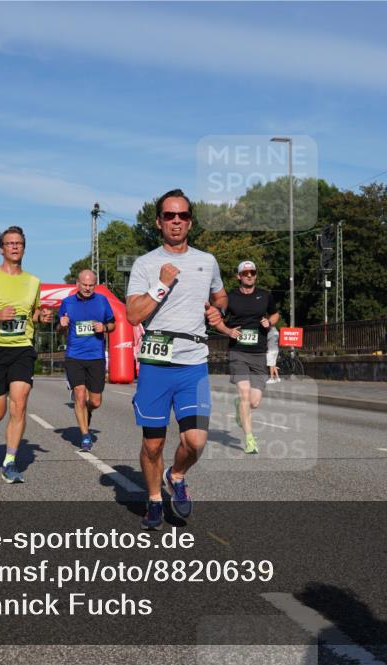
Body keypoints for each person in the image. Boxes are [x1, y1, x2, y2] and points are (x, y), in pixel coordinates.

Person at [126, 189, 226, 529]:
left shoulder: (207, 260)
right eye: (169, 215)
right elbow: (132, 315)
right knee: (152, 444)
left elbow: (221, 295)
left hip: (193, 362)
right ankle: (154, 500)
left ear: (190, 222)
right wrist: (161, 285)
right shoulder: (145, 264)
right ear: (158, 222)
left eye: (182, 215)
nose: (176, 221)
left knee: (195, 441)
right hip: (156, 364)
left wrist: (218, 310)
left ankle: (177, 475)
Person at [0, 226, 53, 484]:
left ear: (24, 247)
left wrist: (43, 316)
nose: (14, 247)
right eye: (9, 243)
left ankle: (10, 461)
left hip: (22, 348)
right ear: (1, 248)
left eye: (19, 243)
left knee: (20, 400)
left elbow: (34, 313)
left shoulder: (33, 281)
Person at [212, 260, 280, 453]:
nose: (249, 275)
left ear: (256, 275)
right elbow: (215, 317)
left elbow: (275, 315)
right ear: (238, 276)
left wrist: (269, 321)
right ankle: (250, 439)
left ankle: (239, 408)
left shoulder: (265, 296)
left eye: (252, 272)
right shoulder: (230, 297)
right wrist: (227, 331)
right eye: (245, 273)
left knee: (254, 402)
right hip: (238, 351)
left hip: (259, 353)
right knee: (244, 393)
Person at [59, 269, 116, 452]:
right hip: (74, 356)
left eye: (91, 285)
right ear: (77, 284)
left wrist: (104, 327)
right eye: (85, 285)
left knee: (96, 401)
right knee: (80, 395)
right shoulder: (67, 303)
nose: (88, 288)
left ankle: (87, 410)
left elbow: (113, 324)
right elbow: (59, 330)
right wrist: (61, 326)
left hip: (96, 357)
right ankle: (85, 436)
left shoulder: (102, 301)